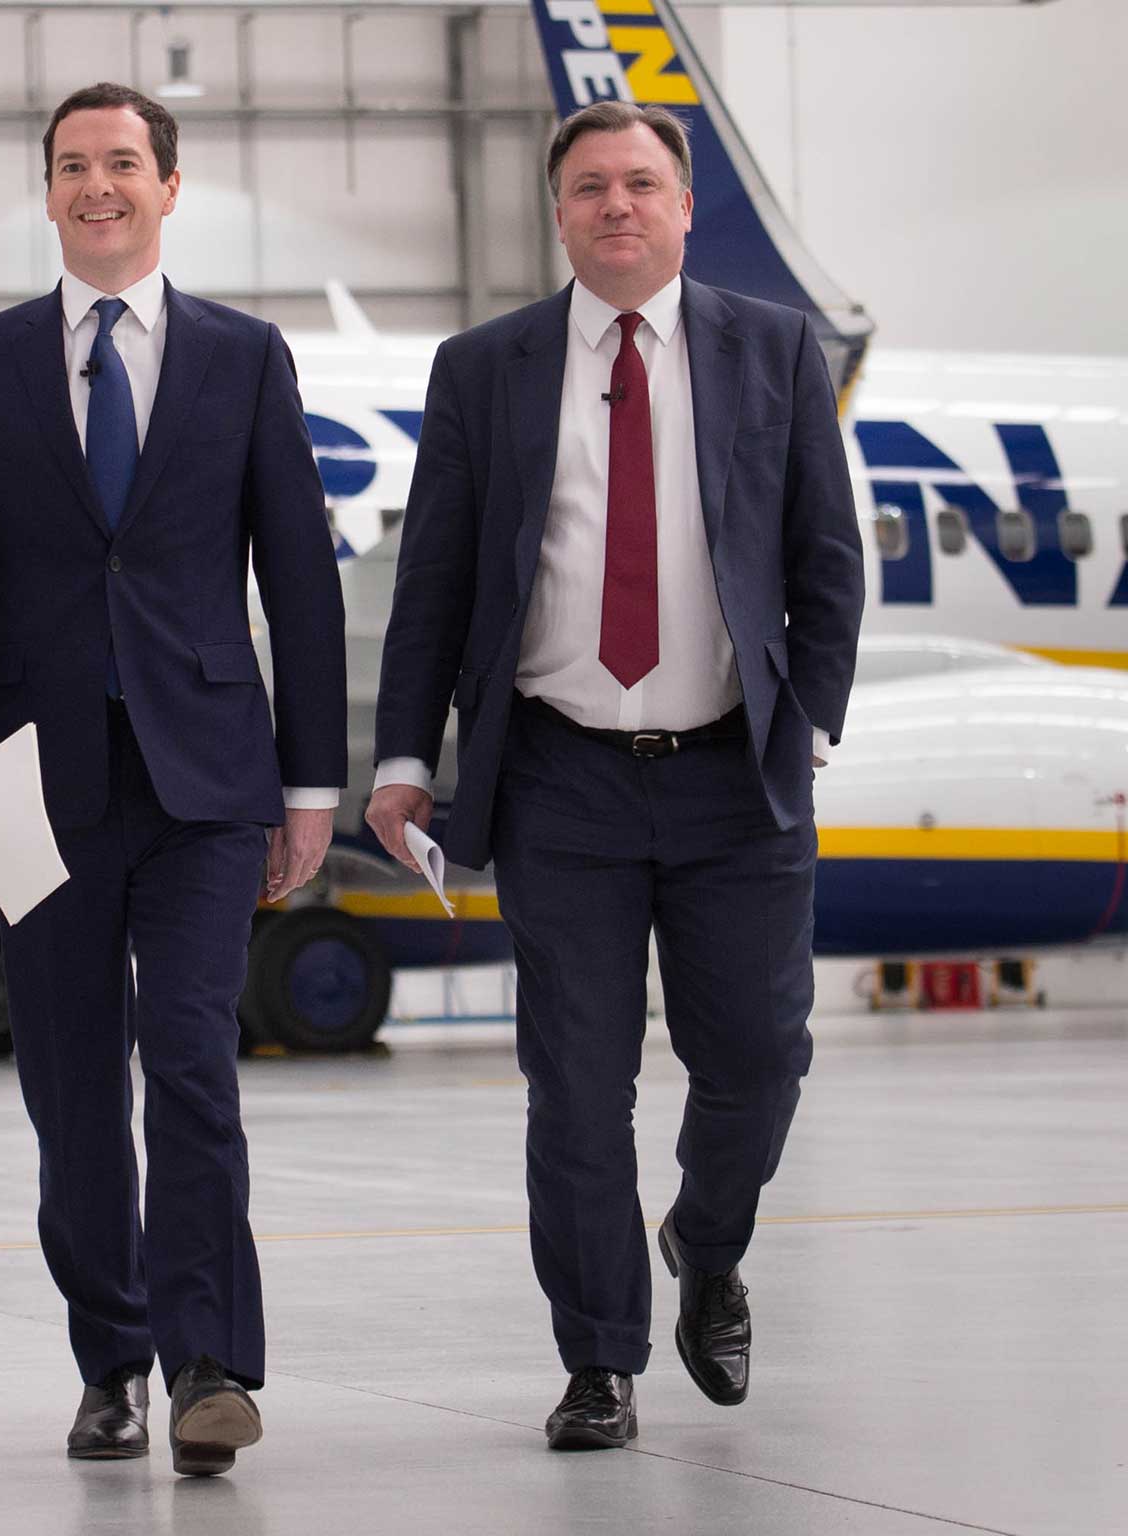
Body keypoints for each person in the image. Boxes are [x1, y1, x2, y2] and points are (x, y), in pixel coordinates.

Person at [365, 102, 863, 1450]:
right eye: (590, 188)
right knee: (575, 1084)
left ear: (684, 206)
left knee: (758, 1057)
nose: (617, 206)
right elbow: (440, 583)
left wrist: (804, 722)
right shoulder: (487, 369)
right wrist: (406, 758)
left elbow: (826, 558)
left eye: (642, 183)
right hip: (561, 782)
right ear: (561, 213)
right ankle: (599, 1360)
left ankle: (706, 1245)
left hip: (734, 777)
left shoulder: (774, 352)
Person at [0, 83, 345, 1476]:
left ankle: (211, 1364)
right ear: (48, 193)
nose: (101, 186)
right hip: (35, 783)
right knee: (72, 1084)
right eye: (75, 166)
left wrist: (311, 782)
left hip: (207, 776)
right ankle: (112, 1361)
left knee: (195, 1064)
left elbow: (301, 581)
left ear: (169, 185)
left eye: (125, 164)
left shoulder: (246, 357)